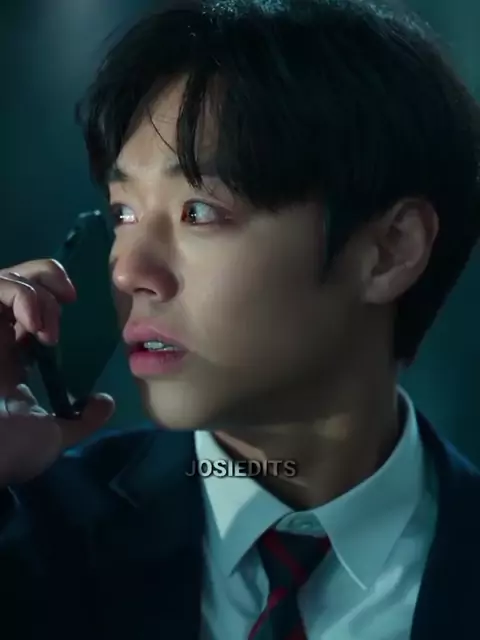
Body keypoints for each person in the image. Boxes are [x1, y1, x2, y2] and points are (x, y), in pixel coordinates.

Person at [0, 0, 479, 638]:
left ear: (390, 250)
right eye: (122, 214)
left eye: (198, 212)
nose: (127, 270)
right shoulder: (31, 532)